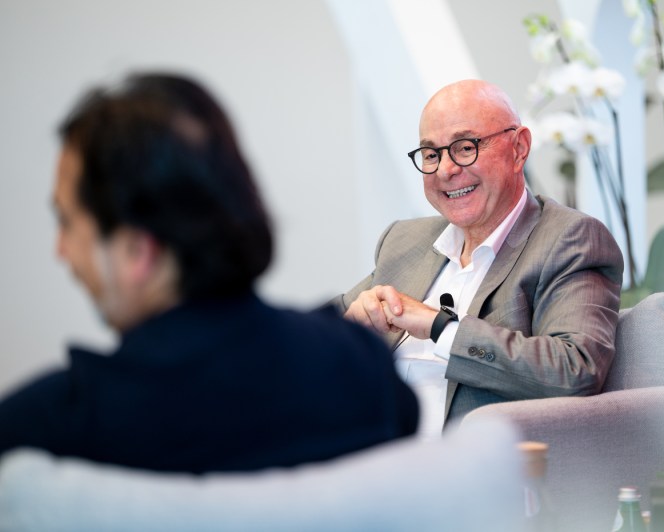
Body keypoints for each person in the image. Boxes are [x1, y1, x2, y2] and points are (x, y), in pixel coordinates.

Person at [0, 73, 418, 473]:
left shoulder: (44, 431)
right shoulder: (360, 369)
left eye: (68, 223)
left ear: (135, 251)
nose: (60, 251)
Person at [336, 79, 623, 438]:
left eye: (465, 147)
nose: (445, 170)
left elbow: (575, 370)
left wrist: (438, 327)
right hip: (370, 458)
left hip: (469, 470)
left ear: (519, 148)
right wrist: (347, 328)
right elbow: (321, 334)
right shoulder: (404, 240)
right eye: (431, 154)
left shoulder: (569, 240)